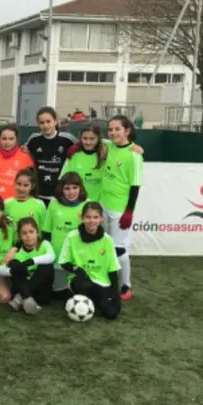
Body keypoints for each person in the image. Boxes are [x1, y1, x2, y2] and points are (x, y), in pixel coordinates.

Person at [99, 115, 143, 301]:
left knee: (119, 249)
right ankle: (105, 281)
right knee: (103, 246)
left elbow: (135, 185)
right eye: (110, 129)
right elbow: (90, 139)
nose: (113, 132)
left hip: (119, 209)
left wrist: (129, 211)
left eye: (117, 129)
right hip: (102, 204)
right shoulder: (108, 145)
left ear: (127, 131)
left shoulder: (134, 155)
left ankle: (125, 285)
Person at [58, 202, 122, 320]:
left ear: (101, 218)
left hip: (101, 282)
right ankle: (76, 295)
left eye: (95, 217)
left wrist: (115, 296)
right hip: (80, 280)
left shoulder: (107, 240)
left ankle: (89, 301)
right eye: (88, 217)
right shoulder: (72, 236)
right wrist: (76, 269)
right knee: (84, 286)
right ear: (82, 217)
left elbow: (113, 270)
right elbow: (63, 262)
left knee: (112, 313)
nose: (92, 221)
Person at [42, 172, 87, 297]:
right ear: (61, 189)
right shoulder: (53, 203)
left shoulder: (86, 205)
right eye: (67, 188)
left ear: (80, 188)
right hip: (57, 259)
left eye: (75, 188)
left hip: (77, 260)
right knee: (56, 294)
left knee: (80, 290)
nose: (71, 192)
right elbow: (47, 232)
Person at [25, 107, 78, 205]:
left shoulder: (67, 139)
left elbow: (84, 147)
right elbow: (21, 152)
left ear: (55, 121)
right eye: (42, 123)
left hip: (60, 194)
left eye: (48, 121)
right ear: (38, 124)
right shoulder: (34, 139)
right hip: (38, 194)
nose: (45, 125)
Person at [5, 217, 55, 315]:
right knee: (15, 265)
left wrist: (30, 262)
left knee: (46, 266)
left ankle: (20, 298)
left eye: (31, 232)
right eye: (24, 233)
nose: (28, 236)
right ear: (19, 236)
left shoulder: (44, 244)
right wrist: (15, 266)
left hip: (40, 292)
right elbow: (3, 269)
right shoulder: (17, 252)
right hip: (23, 285)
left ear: (37, 232)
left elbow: (51, 257)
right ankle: (27, 298)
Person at [0, 125, 33, 200]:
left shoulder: (25, 157)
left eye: (11, 139)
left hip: (15, 202)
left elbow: (30, 182)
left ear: (16, 140)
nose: (7, 142)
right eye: (4, 139)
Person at [60, 123, 103, 201]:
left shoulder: (104, 155)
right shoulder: (73, 155)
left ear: (98, 138)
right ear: (80, 138)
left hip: (99, 203)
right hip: (78, 202)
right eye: (85, 138)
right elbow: (63, 179)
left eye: (92, 139)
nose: (88, 142)